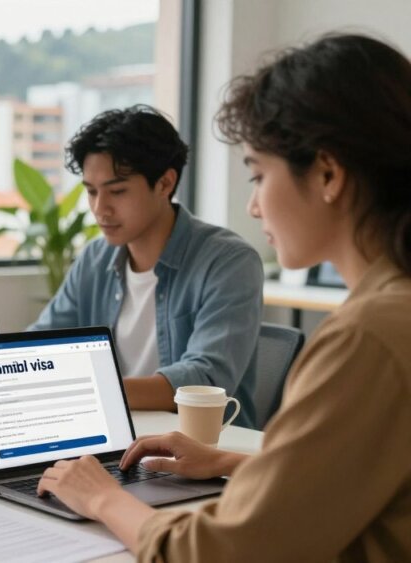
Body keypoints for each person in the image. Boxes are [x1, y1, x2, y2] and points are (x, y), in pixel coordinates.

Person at [36, 34, 411, 561]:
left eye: (258, 175)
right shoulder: (393, 314)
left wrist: (100, 498)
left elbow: (217, 551)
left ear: (328, 174)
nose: (255, 207)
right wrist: (230, 462)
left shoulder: (367, 338)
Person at [30, 106, 261, 424]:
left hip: (203, 452)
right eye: (92, 192)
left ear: (165, 183)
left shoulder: (228, 262)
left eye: (117, 191)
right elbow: (40, 346)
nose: (100, 209)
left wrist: (93, 391)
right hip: (114, 435)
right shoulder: (94, 259)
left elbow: (205, 380)